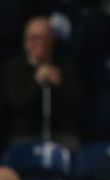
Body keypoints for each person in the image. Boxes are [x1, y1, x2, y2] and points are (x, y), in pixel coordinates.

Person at [2, 16, 80, 147]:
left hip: (60, 135)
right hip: (24, 136)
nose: (40, 43)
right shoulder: (13, 68)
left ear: (52, 41)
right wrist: (36, 82)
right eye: (34, 38)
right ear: (26, 43)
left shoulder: (66, 67)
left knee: (72, 146)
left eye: (45, 37)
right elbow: (16, 104)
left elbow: (77, 104)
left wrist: (60, 85)